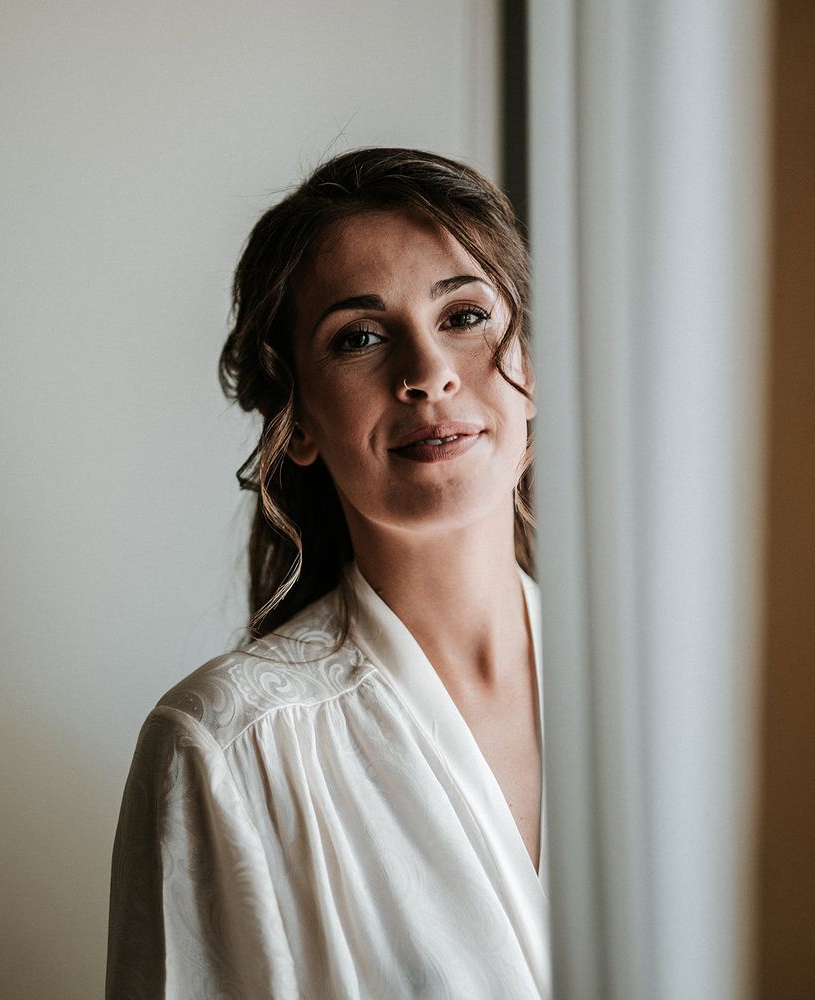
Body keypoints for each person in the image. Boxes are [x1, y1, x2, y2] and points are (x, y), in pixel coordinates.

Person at [106, 148, 549, 1000]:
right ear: (297, 423)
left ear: (527, 367)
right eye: (361, 338)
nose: (427, 373)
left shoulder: (682, 694)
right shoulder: (225, 746)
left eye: (464, 315)